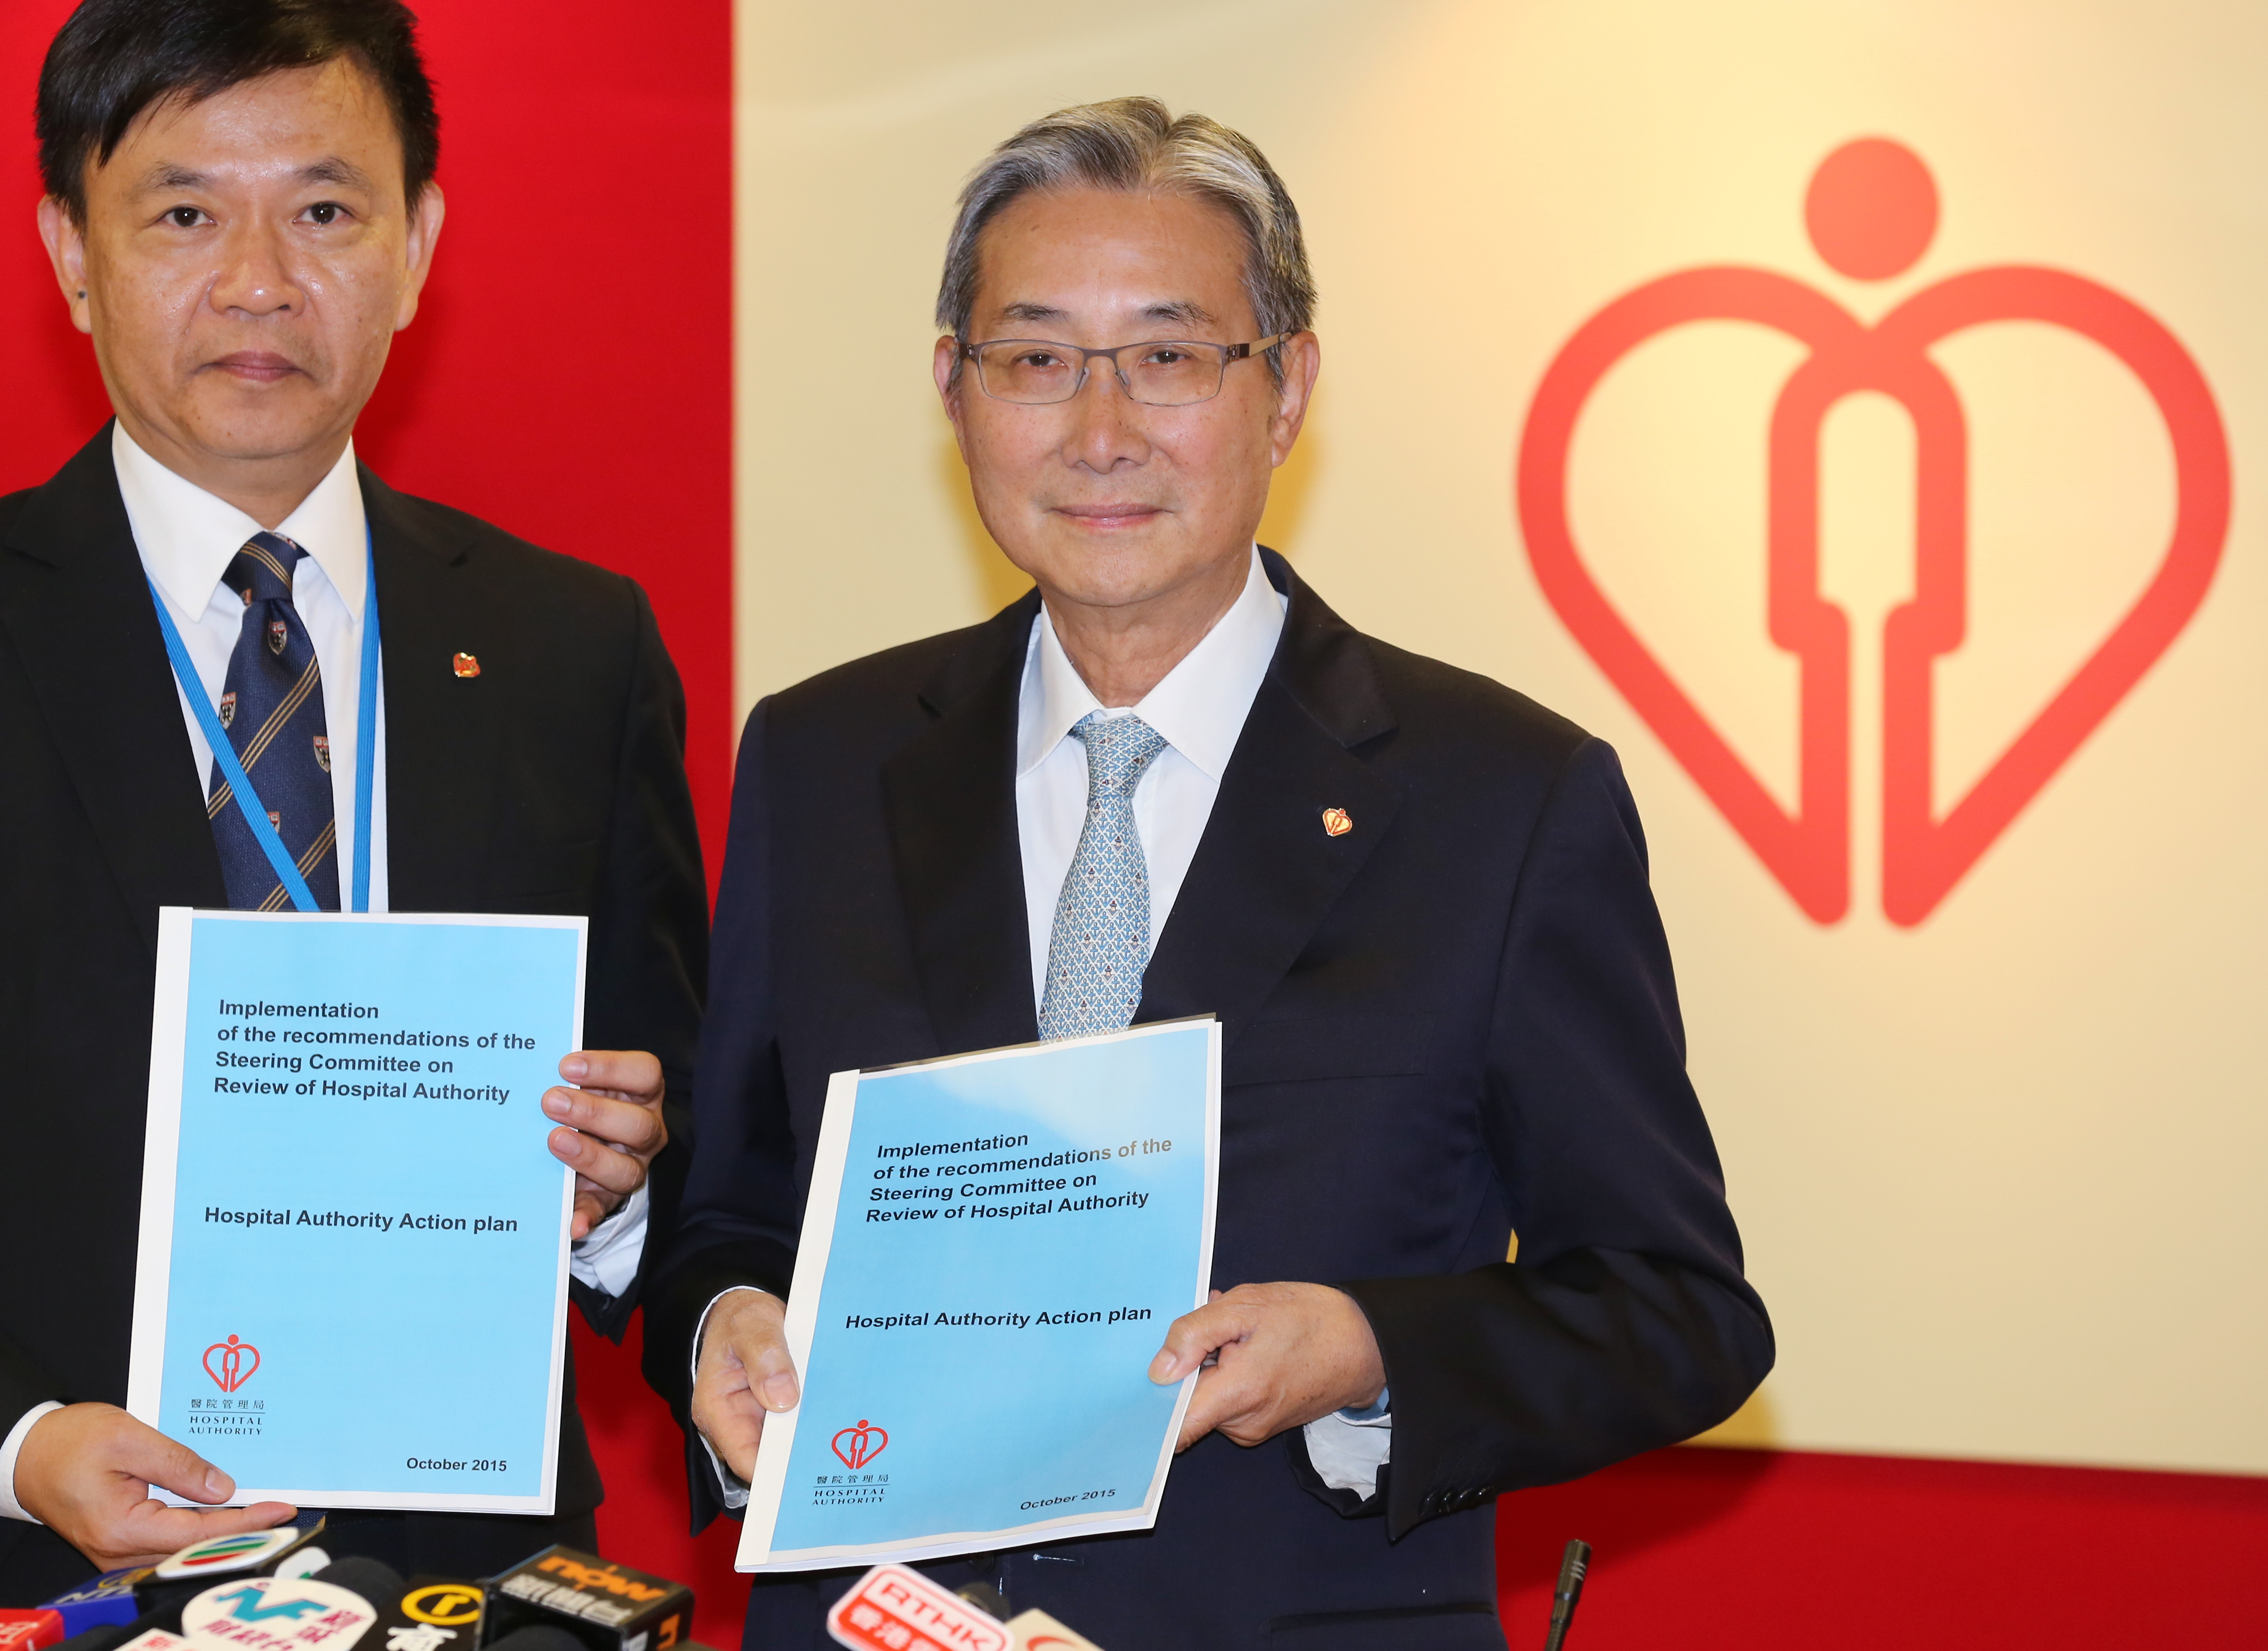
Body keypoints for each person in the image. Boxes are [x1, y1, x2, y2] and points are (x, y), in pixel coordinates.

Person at [0, 0, 706, 1606]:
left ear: (419, 246)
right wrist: (18, 1439)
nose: (262, 281)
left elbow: (680, 1095)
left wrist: (629, 1191)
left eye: (328, 212)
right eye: (186, 212)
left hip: (465, 1580)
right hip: (17, 1579)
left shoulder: (576, 645)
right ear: (73, 252)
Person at [644, 98, 1773, 1647]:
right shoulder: (821, 755)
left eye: (1169, 357)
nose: (1098, 431)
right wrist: (723, 1322)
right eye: (1033, 358)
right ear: (953, 390)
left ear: (1286, 387)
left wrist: (1368, 1347)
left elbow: (1675, 1313)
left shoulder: (1500, 796)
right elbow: (735, 1204)